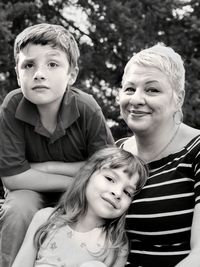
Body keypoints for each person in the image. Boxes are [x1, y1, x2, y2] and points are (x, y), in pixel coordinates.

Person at [0, 23, 114, 267]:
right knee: (19, 209)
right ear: (18, 73)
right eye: (29, 65)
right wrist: (76, 174)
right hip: (28, 194)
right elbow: (13, 179)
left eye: (52, 64)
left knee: (89, 216)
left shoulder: (87, 108)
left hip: (79, 195)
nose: (39, 73)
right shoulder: (12, 105)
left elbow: (105, 169)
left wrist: (47, 168)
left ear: (71, 74)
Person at [117, 43, 200, 267]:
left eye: (152, 89)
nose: (136, 99)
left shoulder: (197, 150)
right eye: (129, 89)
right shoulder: (114, 154)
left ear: (178, 98)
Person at [11, 147, 148, 267]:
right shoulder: (46, 218)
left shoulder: (116, 245)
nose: (117, 193)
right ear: (87, 176)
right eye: (110, 179)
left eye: (127, 192)